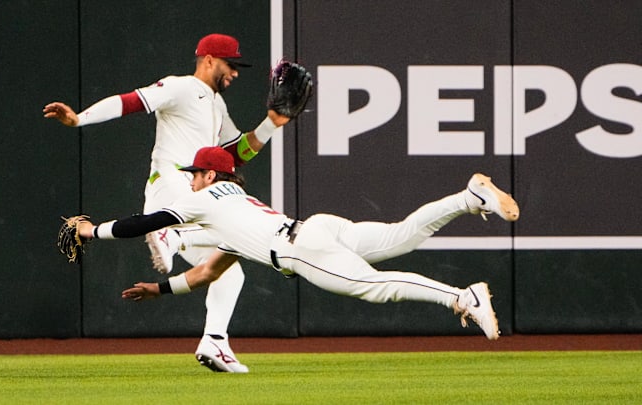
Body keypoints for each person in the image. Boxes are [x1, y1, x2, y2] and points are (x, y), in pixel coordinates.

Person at [68, 146, 521, 346]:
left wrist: (94, 232)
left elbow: (145, 222)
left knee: (375, 287)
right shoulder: (236, 203)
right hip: (315, 228)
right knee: (401, 235)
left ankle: (464, 297)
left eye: (195, 172)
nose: (190, 179)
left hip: (302, 250)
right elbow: (207, 271)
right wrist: (160, 289)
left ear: (210, 175)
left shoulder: (203, 200)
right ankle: (468, 197)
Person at [44, 33, 292, 373]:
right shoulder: (181, 87)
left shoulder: (216, 104)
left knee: (229, 273)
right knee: (220, 228)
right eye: (230, 64)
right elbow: (130, 101)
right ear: (208, 60)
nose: (235, 72)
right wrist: (79, 119)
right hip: (173, 183)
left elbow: (234, 157)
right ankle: (171, 236)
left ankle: (214, 342)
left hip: (194, 193)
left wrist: (271, 124)